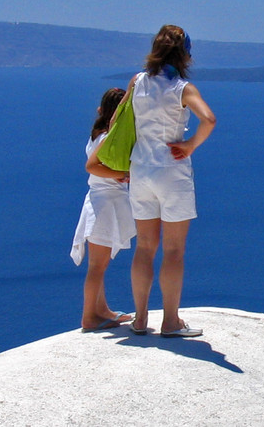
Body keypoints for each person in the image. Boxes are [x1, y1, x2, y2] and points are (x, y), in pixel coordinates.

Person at [88, 25, 216, 337]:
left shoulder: (137, 81)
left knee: (145, 247)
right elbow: (209, 119)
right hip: (172, 173)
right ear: (184, 53)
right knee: (174, 250)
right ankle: (170, 321)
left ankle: (141, 319)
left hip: (140, 172)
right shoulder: (183, 89)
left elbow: (119, 119)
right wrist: (189, 145)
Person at [72, 88, 137, 332]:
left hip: (102, 203)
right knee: (97, 266)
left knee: (99, 265)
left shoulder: (98, 134)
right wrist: (123, 174)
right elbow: (92, 166)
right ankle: (89, 317)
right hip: (104, 205)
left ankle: (102, 310)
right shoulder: (108, 137)